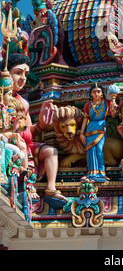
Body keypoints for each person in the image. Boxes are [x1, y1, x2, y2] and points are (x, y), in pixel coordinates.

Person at [0, 53, 67, 202]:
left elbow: (29, 129)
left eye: (26, 74)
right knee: (20, 146)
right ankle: (25, 187)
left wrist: (42, 124)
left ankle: (51, 189)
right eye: (18, 73)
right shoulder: (1, 99)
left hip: (27, 145)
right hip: (9, 142)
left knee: (51, 151)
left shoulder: (23, 103)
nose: (23, 78)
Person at [80, 82, 117, 181]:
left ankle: (102, 172)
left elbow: (113, 116)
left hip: (101, 128)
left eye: (98, 91)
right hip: (90, 129)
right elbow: (85, 119)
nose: (96, 94)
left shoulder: (107, 103)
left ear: (102, 93)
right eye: (94, 92)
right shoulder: (88, 105)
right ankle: (91, 173)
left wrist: (113, 108)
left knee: (99, 150)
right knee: (90, 151)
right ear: (91, 94)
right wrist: (81, 133)